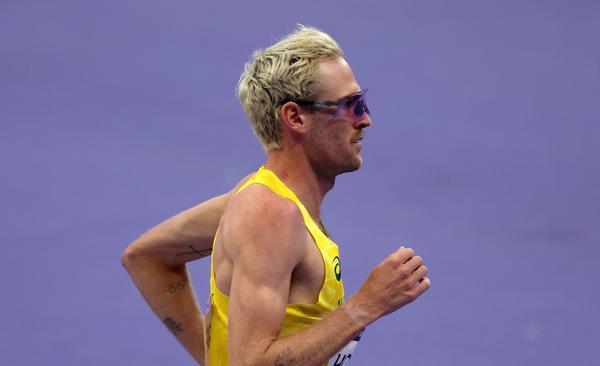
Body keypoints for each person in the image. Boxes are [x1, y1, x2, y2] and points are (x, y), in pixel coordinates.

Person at [122, 25, 430, 366]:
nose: (366, 119)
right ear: (295, 117)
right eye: (351, 105)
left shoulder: (262, 198)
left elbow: (146, 256)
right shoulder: (268, 213)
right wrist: (364, 307)